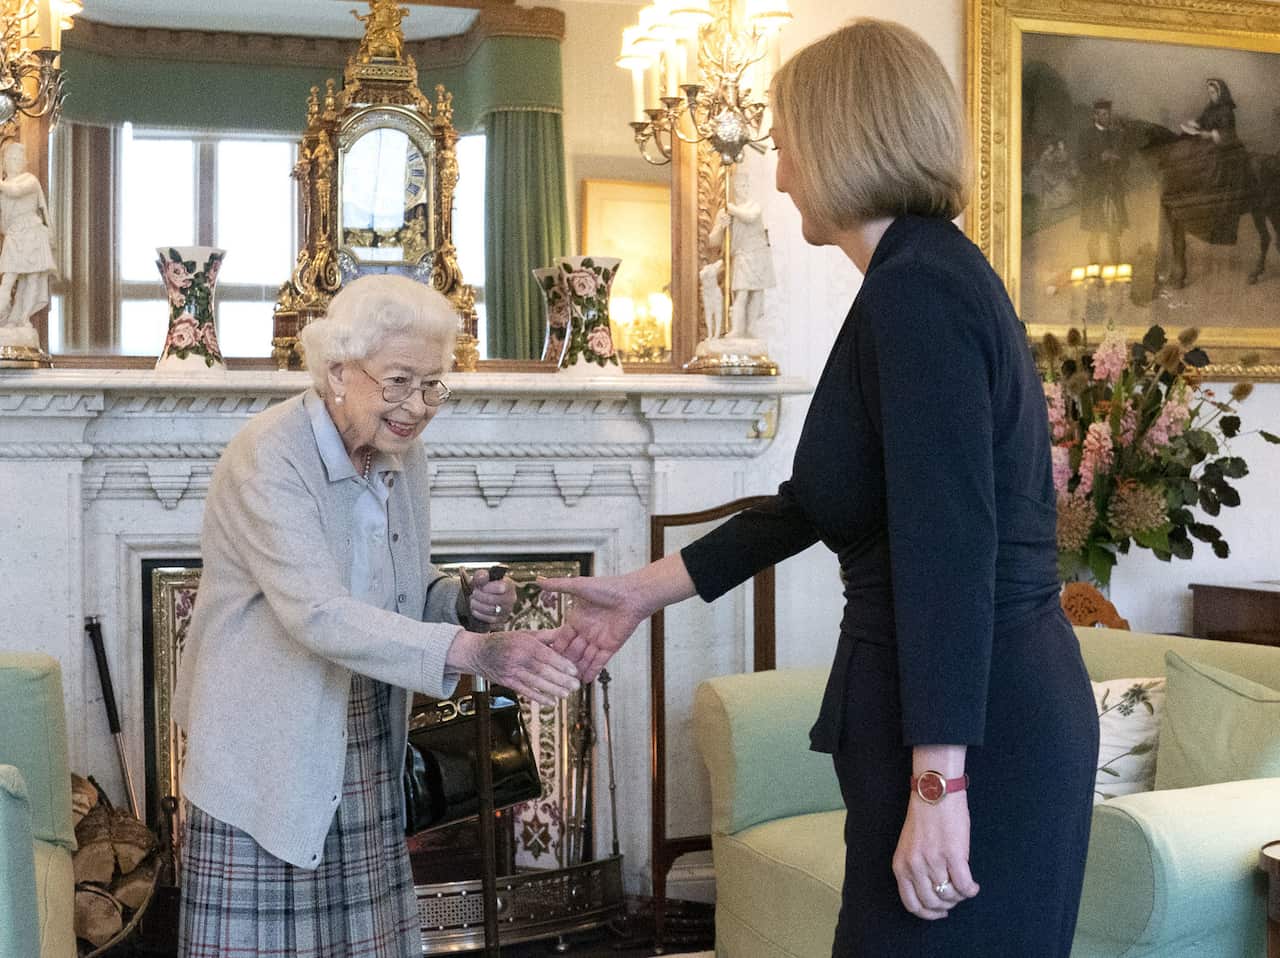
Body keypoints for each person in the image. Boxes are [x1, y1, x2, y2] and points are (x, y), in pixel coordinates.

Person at [541, 18, 1098, 957]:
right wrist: (640, 591)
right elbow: (816, 503)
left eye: (788, 137)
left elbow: (948, 546)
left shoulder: (918, 288)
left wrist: (939, 785)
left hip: (982, 731)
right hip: (959, 719)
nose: (783, 167)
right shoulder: (910, 278)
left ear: (845, 136)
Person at [172, 274, 580, 957]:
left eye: (433, 385)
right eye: (397, 381)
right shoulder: (268, 456)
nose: (416, 406)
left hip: (360, 731)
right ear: (338, 371)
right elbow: (319, 613)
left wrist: (458, 598)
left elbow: (398, 586)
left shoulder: (401, 456)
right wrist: (473, 652)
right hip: (268, 742)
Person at [706, 167, 777, 339]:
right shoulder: (725, 212)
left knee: (757, 295)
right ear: (734, 189)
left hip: (758, 254)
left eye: (746, 186)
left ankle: (751, 328)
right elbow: (713, 241)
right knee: (742, 293)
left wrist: (733, 210)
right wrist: (721, 227)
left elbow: (751, 217)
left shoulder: (752, 206)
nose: (744, 190)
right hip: (742, 256)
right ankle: (737, 329)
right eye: (740, 186)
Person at [1179, 77, 1250, 244]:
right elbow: (1203, 120)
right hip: (1212, 146)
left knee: (1215, 170)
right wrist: (1193, 124)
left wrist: (1210, 134)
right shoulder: (1210, 108)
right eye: (1209, 93)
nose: (1211, 96)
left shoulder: (1226, 110)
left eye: (1213, 92)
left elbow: (1227, 134)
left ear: (1220, 92)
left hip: (1227, 149)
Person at [0, 141, 56, 330]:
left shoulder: (29, 180)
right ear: (5, 162)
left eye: (18, 158)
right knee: (8, 277)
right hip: (14, 235)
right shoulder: (4, 185)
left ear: (24, 162)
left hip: (32, 234)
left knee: (33, 277)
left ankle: (23, 318)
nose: (14, 161)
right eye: (10, 158)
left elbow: (15, 192)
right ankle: (3, 316)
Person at [1078, 99, 1129, 264]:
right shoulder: (1086, 136)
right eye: (1103, 114)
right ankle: (1094, 269)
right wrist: (1101, 158)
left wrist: (1120, 160)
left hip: (1112, 189)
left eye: (1108, 114)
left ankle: (1116, 267)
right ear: (1095, 115)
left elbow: (1126, 163)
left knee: (1113, 232)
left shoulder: (1116, 135)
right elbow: (1082, 165)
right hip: (1094, 192)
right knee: (1095, 232)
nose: (1106, 117)